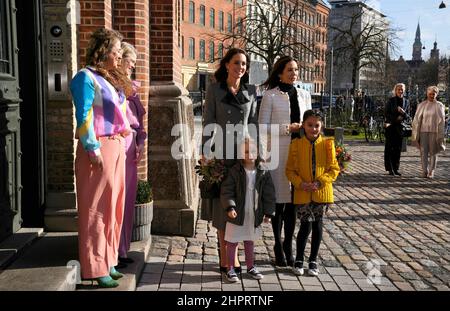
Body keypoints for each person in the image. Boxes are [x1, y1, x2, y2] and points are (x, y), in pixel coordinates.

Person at [70, 28, 132, 288]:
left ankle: (108, 261)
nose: (119, 55)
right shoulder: (84, 78)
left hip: (116, 146)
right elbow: (83, 114)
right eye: (116, 50)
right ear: (103, 50)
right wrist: (91, 147)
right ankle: (94, 266)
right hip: (98, 149)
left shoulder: (107, 78)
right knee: (95, 209)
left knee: (114, 207)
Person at [201, 48, 258, 273]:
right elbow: (208, 123)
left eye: (244, 64)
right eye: (236, 63)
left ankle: (233, 254)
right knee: (221, 205)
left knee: (240, 204)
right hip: (222, 154)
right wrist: (205, 153)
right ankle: (226, 258)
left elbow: (252, 125)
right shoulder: (215, 90)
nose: (240, 67)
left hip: (243, 155)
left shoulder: (251, 91)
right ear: (227, 64)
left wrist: (257, 154)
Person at [258, 55, 311, 267]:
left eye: (296, 69)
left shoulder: (304, 94)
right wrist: (287, 128)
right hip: (278, 154)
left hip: (300, 154)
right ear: (280, 72)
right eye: (289, 69)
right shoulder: (270, 96)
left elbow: (311, 123)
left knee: (293, 203)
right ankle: (278, 246)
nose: (294, 73)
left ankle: (288, 244)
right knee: (279, 202)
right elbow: (262, 128)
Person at [285, 110, 340, 276]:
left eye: (317, 125)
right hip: (303, 192)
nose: (313, 129)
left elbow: (334, 169)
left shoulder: (328, 144)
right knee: (304, 226)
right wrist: (301, 184)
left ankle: (313, 260)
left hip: (321, 192)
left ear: (321, 125)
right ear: (303, 125)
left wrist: (320, 182)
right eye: (310, 125)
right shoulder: (296, 144)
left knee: (317, 226)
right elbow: (290, 171)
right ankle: (299, 259)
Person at [220, 138, 276, 282]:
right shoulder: (235, 171)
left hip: (253, 212)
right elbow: (227, 190)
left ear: (257, 152)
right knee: (232, 241)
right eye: (245, 151)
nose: (249, 154)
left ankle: (250, 266)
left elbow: (269, 194)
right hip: (238, 212)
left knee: (250, 240)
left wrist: (268, 213)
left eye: (252, 151)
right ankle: (230, 268)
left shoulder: (263, 171)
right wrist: (230, 206)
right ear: (240, 154)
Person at [117, 42, 147, 266]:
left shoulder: (130, 87)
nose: (132, 67)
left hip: (131, 148)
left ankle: (123, 249)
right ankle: (116, 251)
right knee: (118, 200)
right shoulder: (114, 86)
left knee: (127, 200)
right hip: (120, 146)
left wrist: (141, 140)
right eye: (130, 62)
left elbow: (139, 121)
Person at [411, 86, 446, 178]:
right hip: (423, 131)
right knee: (423, 152)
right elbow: (417, 119)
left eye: (433, 94)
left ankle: (431, 171)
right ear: (427, 94)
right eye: (430, 94)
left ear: (436, 94)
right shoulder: (422, 105)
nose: (431, 95)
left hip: (435, 131)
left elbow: (442, 120)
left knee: (433, 152)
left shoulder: (439, 105)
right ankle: (424, 171)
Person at [384, 83, 409, 176]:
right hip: (391, 127)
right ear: (395, 90)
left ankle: (396, 168)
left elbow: (408, 116)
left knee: (398, 149)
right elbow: (386, 114)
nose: (400, 91)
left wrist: (403, 113)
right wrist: (395, 117)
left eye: (402, 89)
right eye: (398, 89)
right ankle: (390, 169)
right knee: (390, 148)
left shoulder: (406, 101)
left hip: (400, 128)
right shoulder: (391, 101)